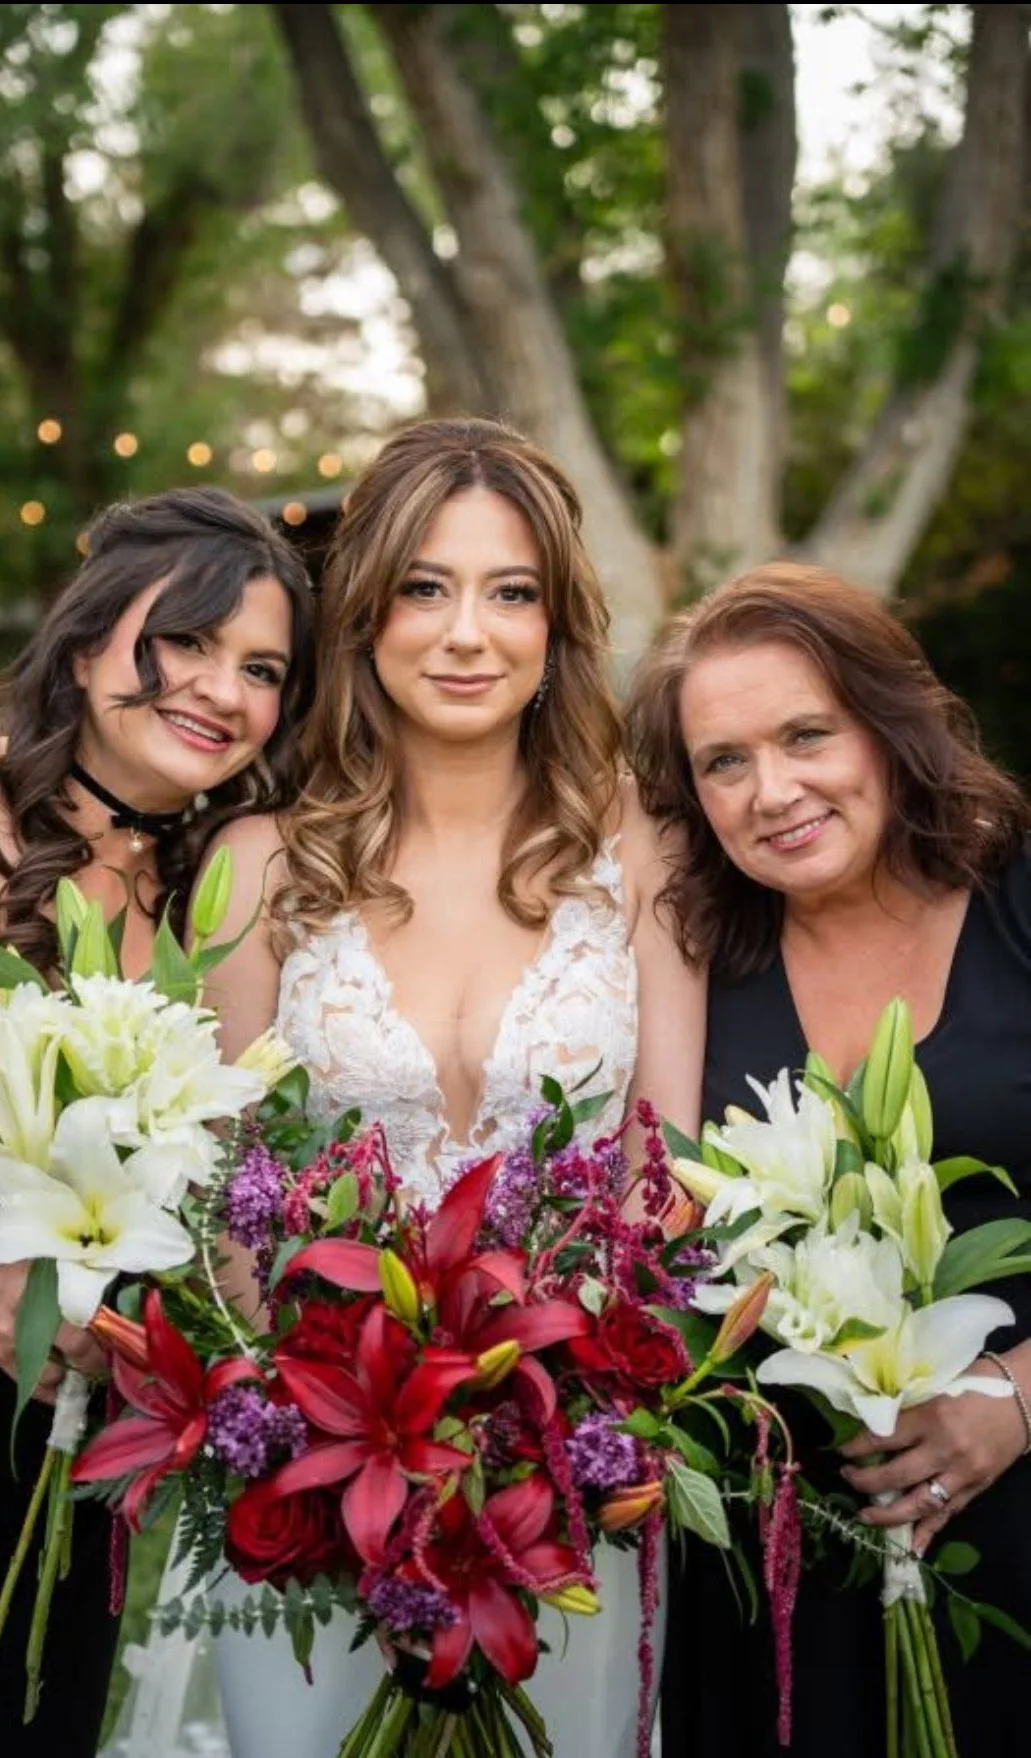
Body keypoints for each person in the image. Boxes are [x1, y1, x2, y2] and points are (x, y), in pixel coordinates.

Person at [181, 415, 706, 1758]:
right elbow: (224, 1201)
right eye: (424, 587)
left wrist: (531, 1434)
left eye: (508, 591)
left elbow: (668, 1177)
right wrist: (329, 1425)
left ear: (555, 625)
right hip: (315, 1484)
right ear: (363, 617)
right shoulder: (257, 866)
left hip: (565, 1489)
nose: (465, 632)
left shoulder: (642, 855)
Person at [0, 485, 315, 1758]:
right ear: (87, 636)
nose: (222, 688)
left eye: (262, 668)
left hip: (43, 1504)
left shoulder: (217, 916)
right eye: (188, 641)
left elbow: (217, 1221)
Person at [625, 560, 1031, 1758]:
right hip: (775, 1563)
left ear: (891, 726)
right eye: (725, 762)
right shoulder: (696, 965)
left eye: (809, 734)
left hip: (1010, 1515)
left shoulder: (1018, 905)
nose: (774, 791)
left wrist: (1016, 1399)